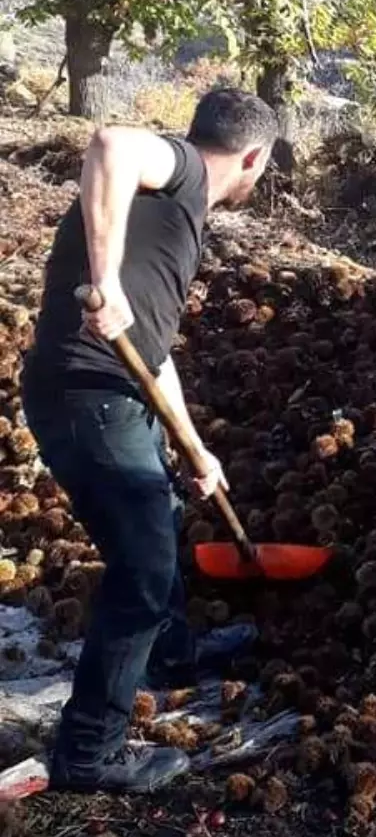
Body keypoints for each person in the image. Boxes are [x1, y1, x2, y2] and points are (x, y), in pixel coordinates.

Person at [20, 88, 278, 793]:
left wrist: (195, 448)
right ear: (252, 157)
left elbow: (153, 353)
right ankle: (90, 751)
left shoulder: (174, 216)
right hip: (88, 394)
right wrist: (103, 279)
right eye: (262, 169)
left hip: (116, 392)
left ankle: (170, 653)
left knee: (158, 514)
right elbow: (108, 144)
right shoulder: (188, 170)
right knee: (140, 568)